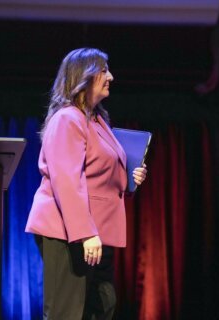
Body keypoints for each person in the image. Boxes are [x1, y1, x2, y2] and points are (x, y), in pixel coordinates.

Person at [26, 48, 147, 319]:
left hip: (95, 232)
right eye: (104, 70)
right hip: (69, 231)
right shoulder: (68, 119)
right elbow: (66, 180)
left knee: (102, 305)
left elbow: (100, 170)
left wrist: (129, 179)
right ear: (84, 76)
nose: (111, 77)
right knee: (67, 312)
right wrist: (84, 233)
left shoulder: (96, 120)